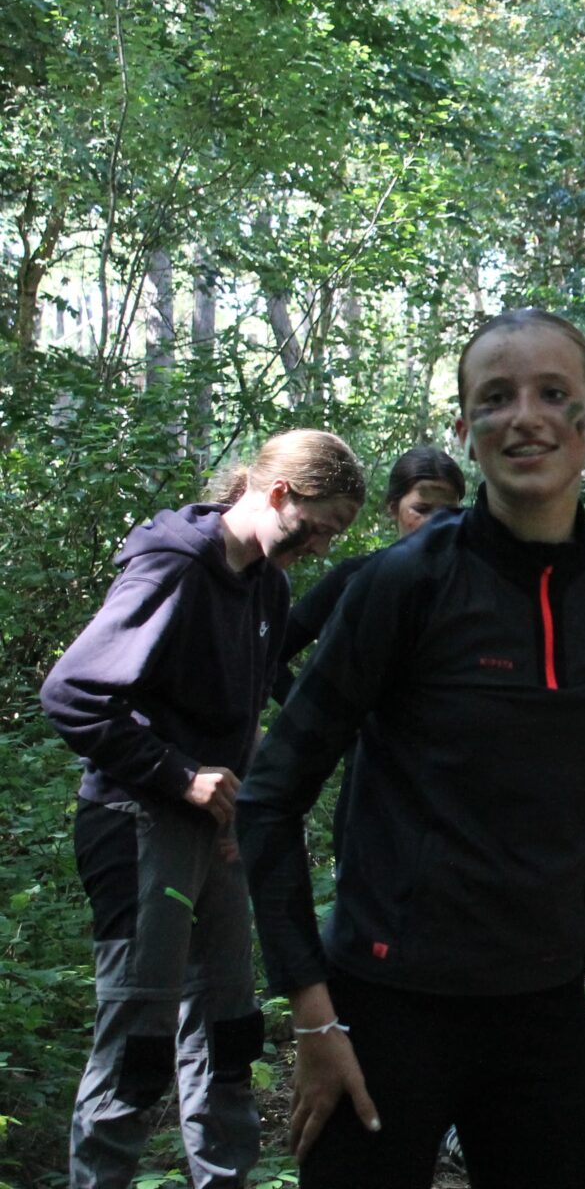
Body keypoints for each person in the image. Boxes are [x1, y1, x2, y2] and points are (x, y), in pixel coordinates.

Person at [236, 309, 585, 1189]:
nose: (525, 416)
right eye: (496, 398)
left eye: (553, 393)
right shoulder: (403, 583)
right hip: (385, 1002)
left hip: (541, 1007)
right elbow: (269, 797)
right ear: (465, 429)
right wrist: (313, 1013)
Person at [42, 429, 366, 1189]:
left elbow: (236, 717)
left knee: (228, 1030)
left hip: (212, 835)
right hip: (135, 823)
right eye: (318, 526)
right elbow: (72, 693)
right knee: (139, 1044)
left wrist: (240, 806)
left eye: (334, 535)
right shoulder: (175, 566)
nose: (321, 546)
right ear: (278, 493)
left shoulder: (267, 586)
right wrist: (179, 776)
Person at [270, 446, 466, 702]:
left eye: (449, 512)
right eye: (422, 509)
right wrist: (313, 717)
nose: (435, 523)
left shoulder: (474, 584)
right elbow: (271, 655)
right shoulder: (354, 576)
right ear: (393, 508)